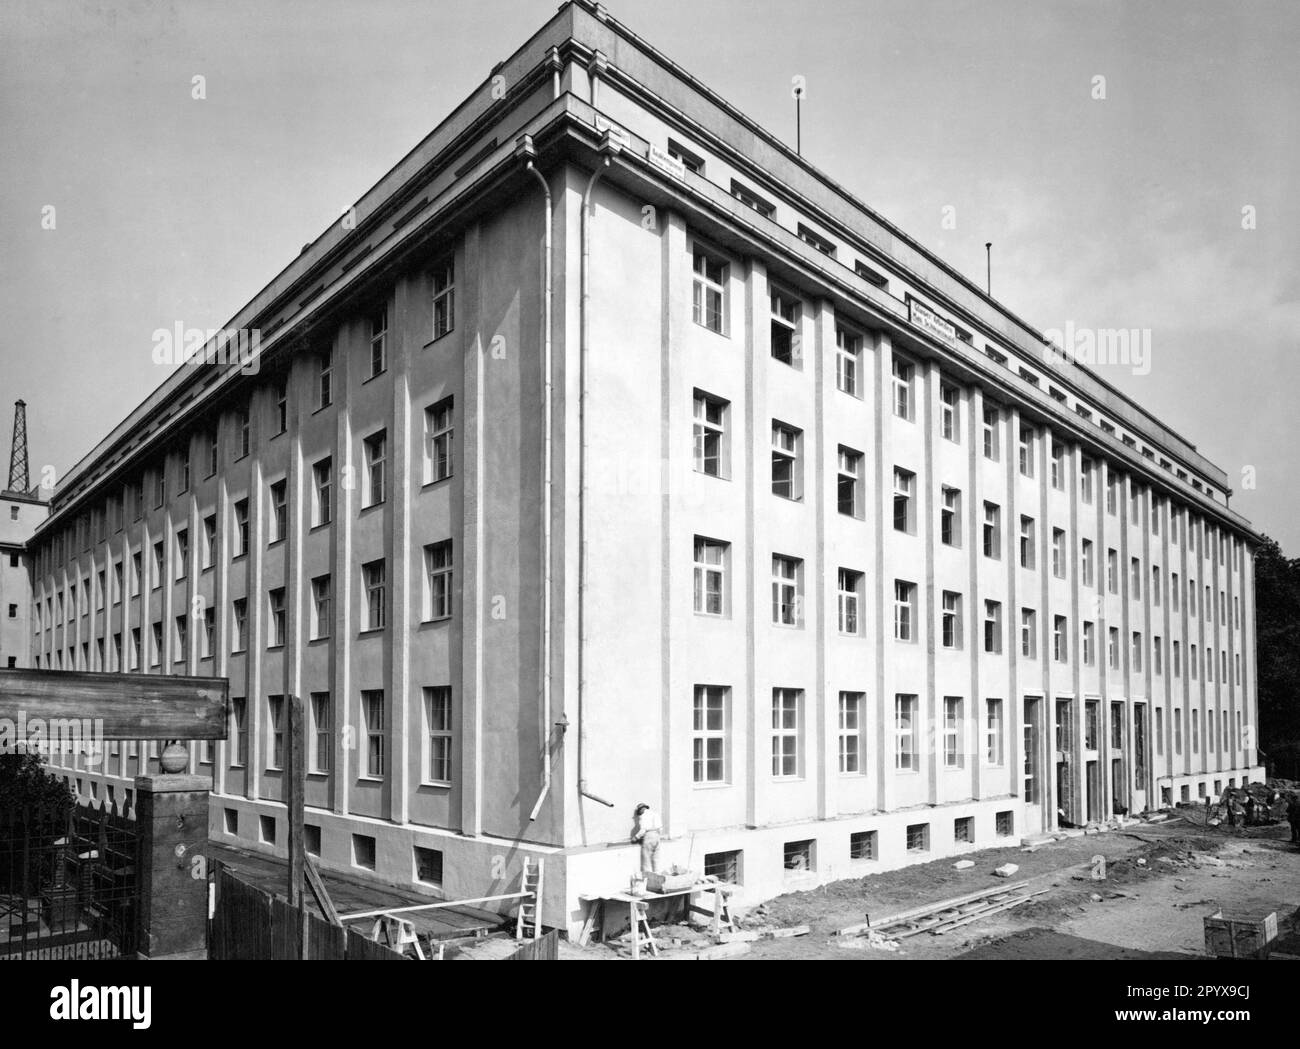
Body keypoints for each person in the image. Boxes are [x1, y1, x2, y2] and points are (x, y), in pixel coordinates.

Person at [632, 802, 662, 873]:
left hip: (649, 837)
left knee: (646, 861)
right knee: (656, 860)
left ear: (641, 809)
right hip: (657, 837)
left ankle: (648, 880)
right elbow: (660, 829)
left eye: (639, 812)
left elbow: (643, 830)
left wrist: (636, 837)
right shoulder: (655, 814)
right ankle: (657, 878)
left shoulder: (644, 816)